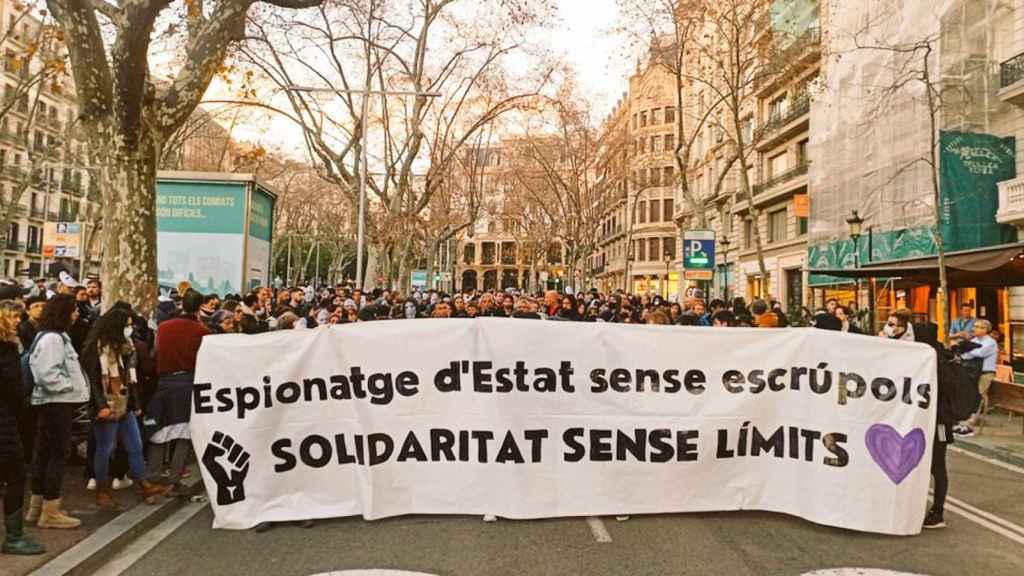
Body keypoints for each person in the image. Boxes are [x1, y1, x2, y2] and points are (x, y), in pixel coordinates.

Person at [81, 310, 170, 508]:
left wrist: (135, 403)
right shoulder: (95, 350)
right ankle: (102, 489)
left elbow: (130, 378)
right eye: (126, 326)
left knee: (135, 445)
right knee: (105, 448)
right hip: (106, 404)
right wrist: (101, 406)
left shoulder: (122, 348)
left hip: (123, 402)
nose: (129, 330)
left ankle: (143, 483)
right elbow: (94, 382)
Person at [25, 294, 90, 529]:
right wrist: (68, 387)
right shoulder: (53, 339)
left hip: (52, 402)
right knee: (55, 455)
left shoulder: (54, 337)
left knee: (44, 454)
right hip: (57, 403)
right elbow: (47, 373)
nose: (76, 314)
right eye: (72, 310)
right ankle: (50, 510)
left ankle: (38, 507)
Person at [145, 290, 210, 494]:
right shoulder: (202, 332)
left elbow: (154, 353)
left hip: (164, 382)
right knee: (184, 433)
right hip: (188, 382)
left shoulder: (163, 328)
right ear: (200, 307)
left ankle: (153, 475)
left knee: (160, 430)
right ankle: (174, 478)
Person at [0, 301, 44, 555]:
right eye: (14, 317)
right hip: (4, 422)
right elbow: (13, 389)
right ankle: (14, 537)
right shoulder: (6, 350)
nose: (19, 321)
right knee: (16, 475)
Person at [914, 322, 960, 529]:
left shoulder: (939, 359)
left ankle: (938, 511)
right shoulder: (927, 356)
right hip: (926, 418)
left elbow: (947, 389)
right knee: (924, 464)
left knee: (937, 465)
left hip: (940, 420)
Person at [955, 319, 998, 436]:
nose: (975, 329)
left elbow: (980, 353)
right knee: (969, 397)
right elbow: (965, 354)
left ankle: (970, 424)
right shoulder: (974, 340)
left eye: (978, 327)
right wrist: (968, 349)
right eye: (975, 326)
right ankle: (964, 422)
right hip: (972, 372)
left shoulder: (990, 342)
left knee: (978, 397)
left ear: (985, 330)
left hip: (985, 373)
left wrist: (969, 349)